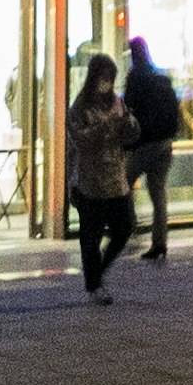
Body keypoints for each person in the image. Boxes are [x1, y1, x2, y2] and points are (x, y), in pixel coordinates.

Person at [66, 53, 139, 301]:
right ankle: (94, 284)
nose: (106, 82)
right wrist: (103, 129)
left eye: (110, 77)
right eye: (103, 77)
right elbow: (79, 139)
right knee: (91, 234)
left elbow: (132, 133)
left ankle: (98, 272)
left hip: (116, 178)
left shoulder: (118, 103)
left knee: (124, 227)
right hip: (89, 180)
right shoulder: (80, 107)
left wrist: (128, 126)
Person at [120, 37, 186, 259]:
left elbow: (128, 108)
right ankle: (160, 241)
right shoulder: (160, 77)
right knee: (158, 192)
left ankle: (128, 224)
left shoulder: (135, 77)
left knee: (124, 181)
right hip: (164, 143)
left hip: (145, 143)